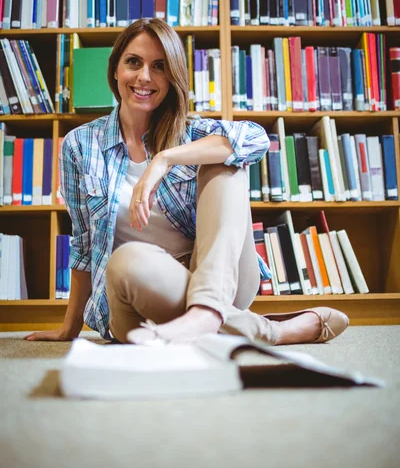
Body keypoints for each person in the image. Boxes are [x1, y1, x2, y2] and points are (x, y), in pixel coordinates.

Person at [25, 18, 349, 346]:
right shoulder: (80, 145)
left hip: (217, 274)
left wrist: (164, 160)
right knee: (124, 260)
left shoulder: (191, 134)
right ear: (115, 69)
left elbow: (255, 139)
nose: (144, 77)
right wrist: (71, 327)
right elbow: (82, 245)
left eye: (160, 66)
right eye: (133, 62)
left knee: (226, 162)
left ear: (172, 77)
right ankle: (267, 330)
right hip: (140, 290)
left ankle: (206, 312)